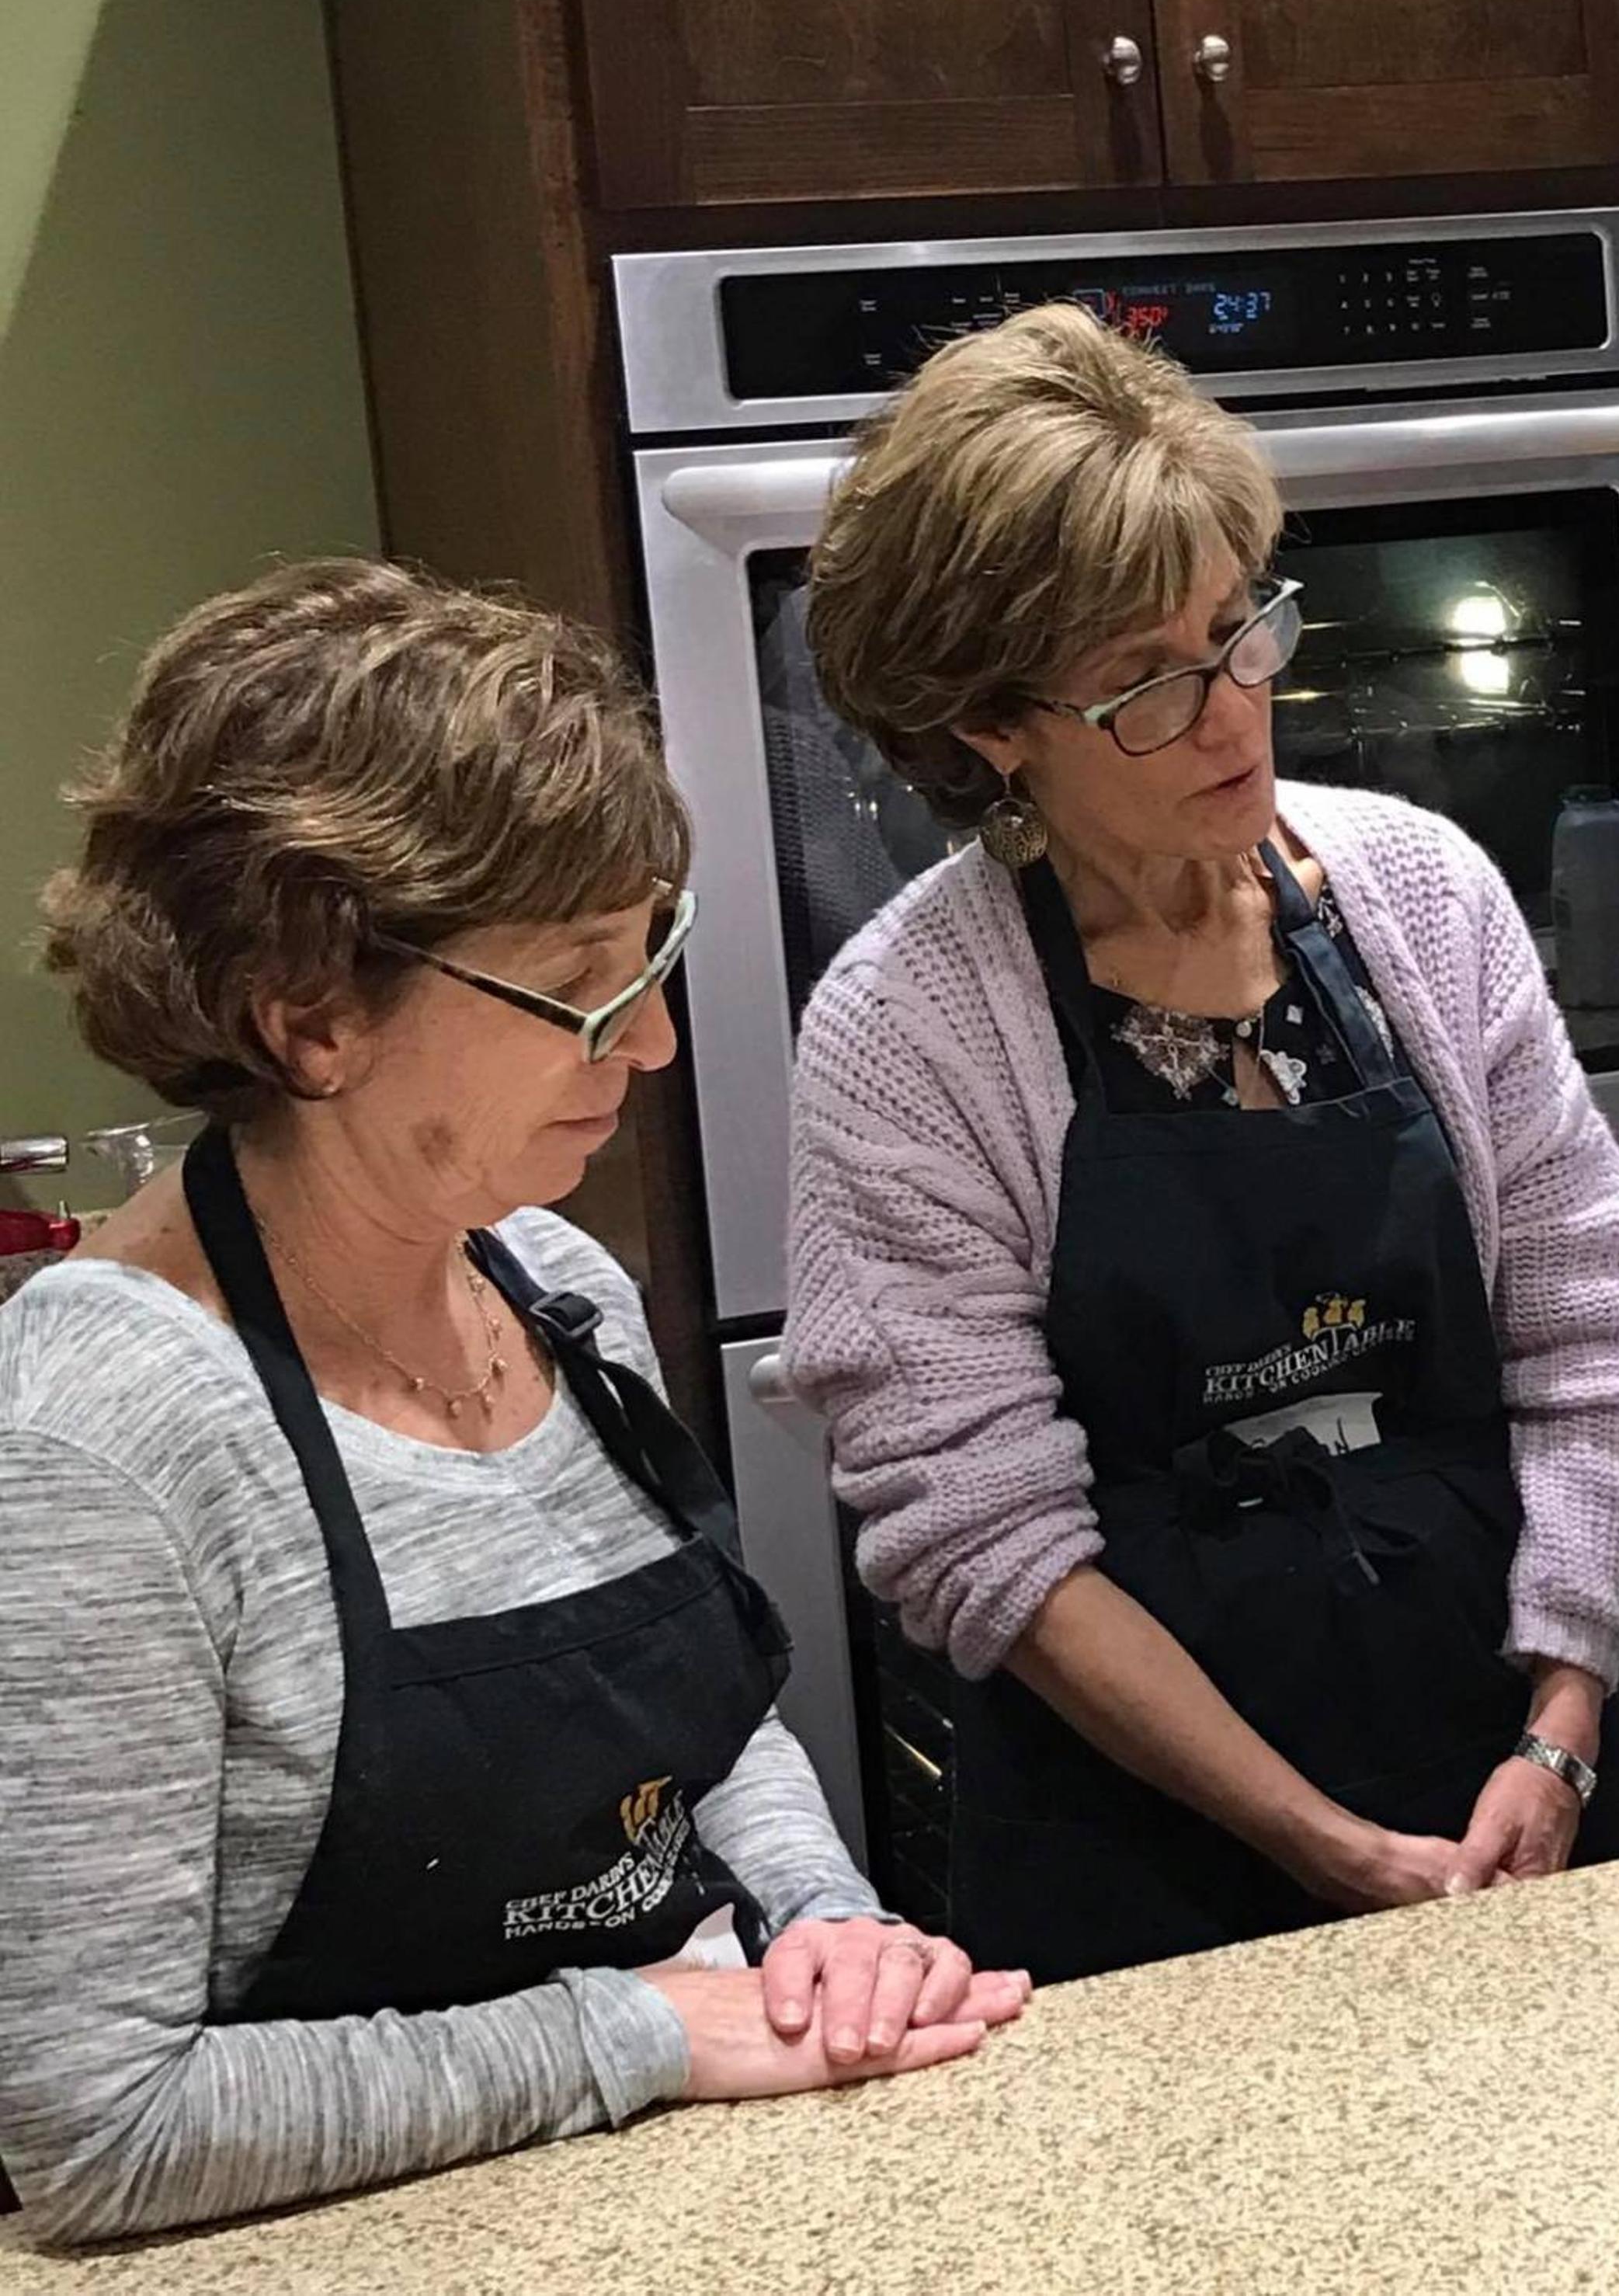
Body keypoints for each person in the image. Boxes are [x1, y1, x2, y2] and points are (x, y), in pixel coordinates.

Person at [0, 563, 1023, 2244]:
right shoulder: (103, 1438)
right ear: (312, 1015)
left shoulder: (555, 1287)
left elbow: (700, 1747)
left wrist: (823, 1925)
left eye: (655, 963)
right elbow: (100, 2130)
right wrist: (633, 2035)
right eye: (588, 988)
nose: (659, 1046)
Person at [786, 304, 1619, 1983]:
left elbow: (1590, 1342)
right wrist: (1323, 1844)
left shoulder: (1420, 894)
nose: (1231, 716)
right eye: (1147, 682)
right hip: (1148, 1868)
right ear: (992, 726)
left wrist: (1561, 1721)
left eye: (1240, 630)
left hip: (1520, 1795)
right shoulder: (909, 1034)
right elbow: (986, 1537)